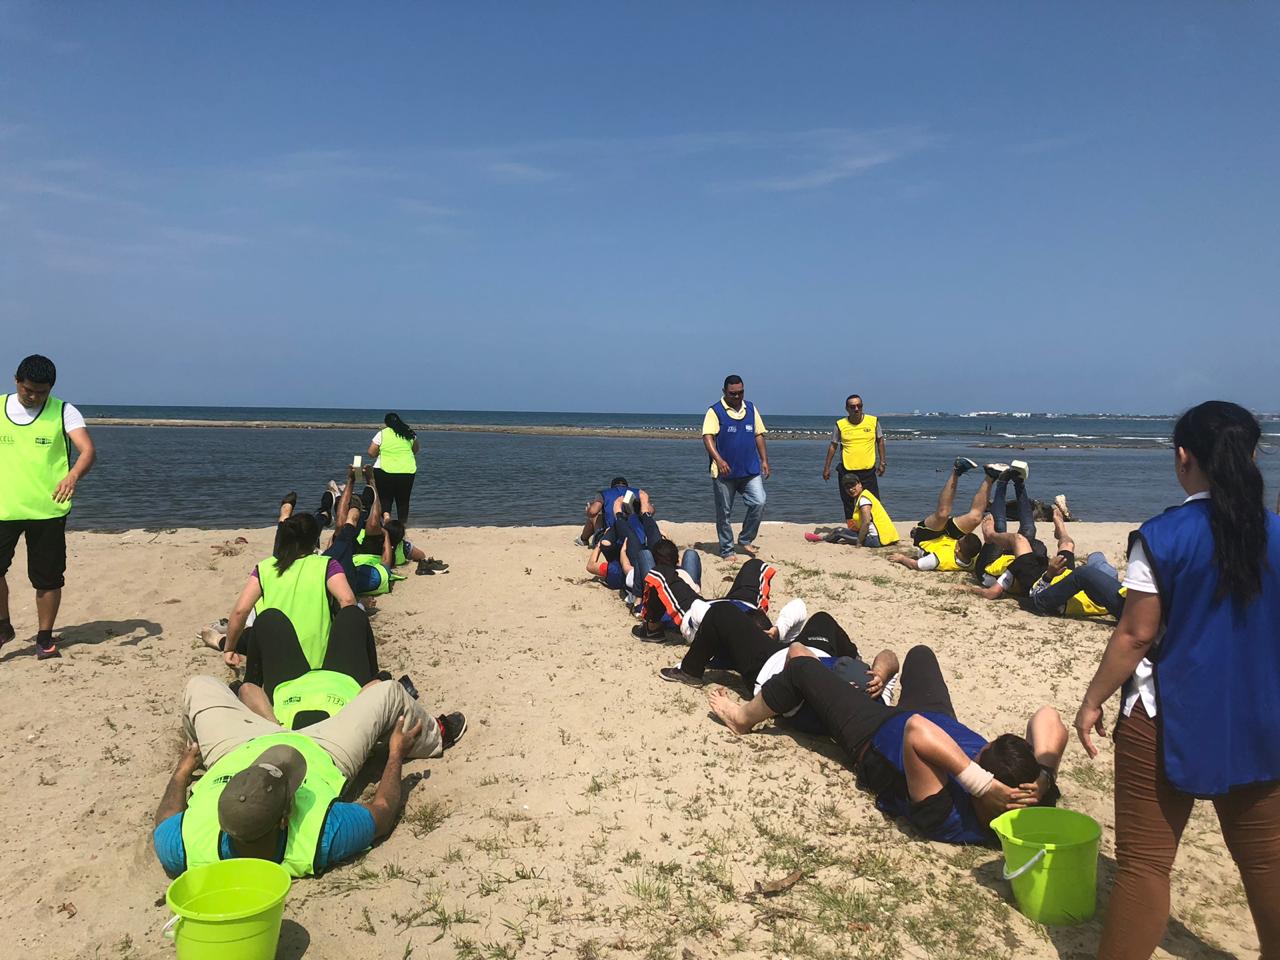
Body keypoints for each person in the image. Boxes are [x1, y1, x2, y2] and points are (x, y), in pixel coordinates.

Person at [1073, 401, 1280, 959]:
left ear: (1184, 457)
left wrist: (1092, 701)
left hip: (1164, 715)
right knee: (1266, 860)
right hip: (1261, 714)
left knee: (1144, 865)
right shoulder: (1275, 532)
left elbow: (1136, 635)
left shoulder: (1163, 535)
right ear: (1251, 456)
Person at [709, 644, 1067, 844]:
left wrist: (979, 782)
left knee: (801, 667)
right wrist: (1045, 774)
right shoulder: (1032, 794)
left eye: (979, 756)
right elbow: (1048, 716)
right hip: (939, 719)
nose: (977, 752)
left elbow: (916, 732)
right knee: (921, 654)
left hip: (874, 733)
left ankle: (741, 718)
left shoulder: (946, 816)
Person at [152, 674, 466, 877]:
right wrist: (396, 754)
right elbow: (382, 813)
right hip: (322, 749)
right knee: (389, 692)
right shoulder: (318, 836)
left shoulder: (185, 846)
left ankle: (261, 715)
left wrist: (183, 771)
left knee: (198, 685)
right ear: (284, 819)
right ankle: (436, 736)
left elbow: (165, 819)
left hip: (233, 750)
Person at [0, 355, 96, 660]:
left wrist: (73, 475)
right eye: (28, 390)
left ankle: (44, 638)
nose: (33, 397)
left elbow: (87, 450)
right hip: (4, 509)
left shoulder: (64, 411)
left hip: (48, 510)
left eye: (41, 392)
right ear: (16, 380)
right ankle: (3, 627)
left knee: (48, 579)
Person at [637, 547, 773, 643]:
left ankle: (652, 628)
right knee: (754, 564)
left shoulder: (717, 630)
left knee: (660, 572)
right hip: (742, 606)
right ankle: (758, 620)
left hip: (705, 611)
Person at [961, 462, 1050, 600]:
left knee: (1000, 528)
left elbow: (992, 593)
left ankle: (1002, 481)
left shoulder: (1019, 576)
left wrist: (968, 588)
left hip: (987, 568)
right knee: (1029, 530)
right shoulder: (1041, 572)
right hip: (1012, 559)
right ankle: (1018, 482)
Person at [702, 375, 769, 560]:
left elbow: (759, 435)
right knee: (724, 512)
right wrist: (719, 460)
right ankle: (727, 550)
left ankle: (745, 538)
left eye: (741, 392)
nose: (737, 396)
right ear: (724, 392)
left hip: (750, 470)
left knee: (759, 502)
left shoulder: (751, 408)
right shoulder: (715, 411)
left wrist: (764, 460)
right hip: (724, 472)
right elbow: (707, 437)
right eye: (733, 393)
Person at [886, 458, 991, 573]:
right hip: (949, 537)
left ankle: (957, 471)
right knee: (976, 518)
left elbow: (915, 565)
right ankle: (990, 477)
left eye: (961, 539)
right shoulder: (973, 559)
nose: (961, 536)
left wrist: (901, 558)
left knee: (943, 514)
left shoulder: (938, 560)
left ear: (957, 548)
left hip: (928, 538)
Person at [1022, 506, 1125, 618]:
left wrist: (1048, 575)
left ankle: (1060, 527)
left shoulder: (1070, 603)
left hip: (1064, 580)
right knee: (1096, 556)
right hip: (1123, 597)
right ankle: (1061, 530)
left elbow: (1034, 596)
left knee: (1084, 570)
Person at [822, 394, 886, 514]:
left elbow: (880, 441)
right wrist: (827, 468)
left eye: (859, 406)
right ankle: (852, 526)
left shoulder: (873, 421)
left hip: (868, 472)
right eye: (852, 407)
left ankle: (873, 525)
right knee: (850, 505)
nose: (856, 409)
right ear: (847, 408)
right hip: (848, 471)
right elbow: (833, 446)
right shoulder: (840, 424)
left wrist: (882, 463)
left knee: (873, 503)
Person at [805, 475, 899, 547]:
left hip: (875, 539)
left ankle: (821, 538)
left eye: (853, 485)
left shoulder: (864, 500)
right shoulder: (865, 495)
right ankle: (824, 537)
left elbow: (866, 522)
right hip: (888, 537)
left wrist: (859, 542)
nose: (851, 489)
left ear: (860, 484)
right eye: (847, 487)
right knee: (843, 530)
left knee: (839, 531)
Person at [369, 413, 419, 524]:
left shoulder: (382, 433)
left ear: (386, 423)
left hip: (384, 470)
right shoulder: (410, 433)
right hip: (407, 470)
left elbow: (371, 452)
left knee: (385, 496)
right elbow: (415, 450)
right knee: (403, 499)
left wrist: (380, 452)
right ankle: (402, 523)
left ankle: (386, 516)